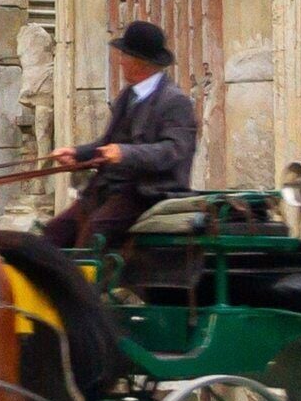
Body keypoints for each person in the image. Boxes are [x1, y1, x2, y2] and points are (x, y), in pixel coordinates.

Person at [41, 20, 203, 252]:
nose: (120, 61)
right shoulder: (128, 96)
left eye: (124, 56)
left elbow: (173, 150)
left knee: (93, 234)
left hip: (147, 192)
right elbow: (107, 143)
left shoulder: (174, 101)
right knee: (54, 233)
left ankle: (88, 276)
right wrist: (77, 154)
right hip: (107, 189)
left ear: (139, 62)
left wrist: (125, 153)